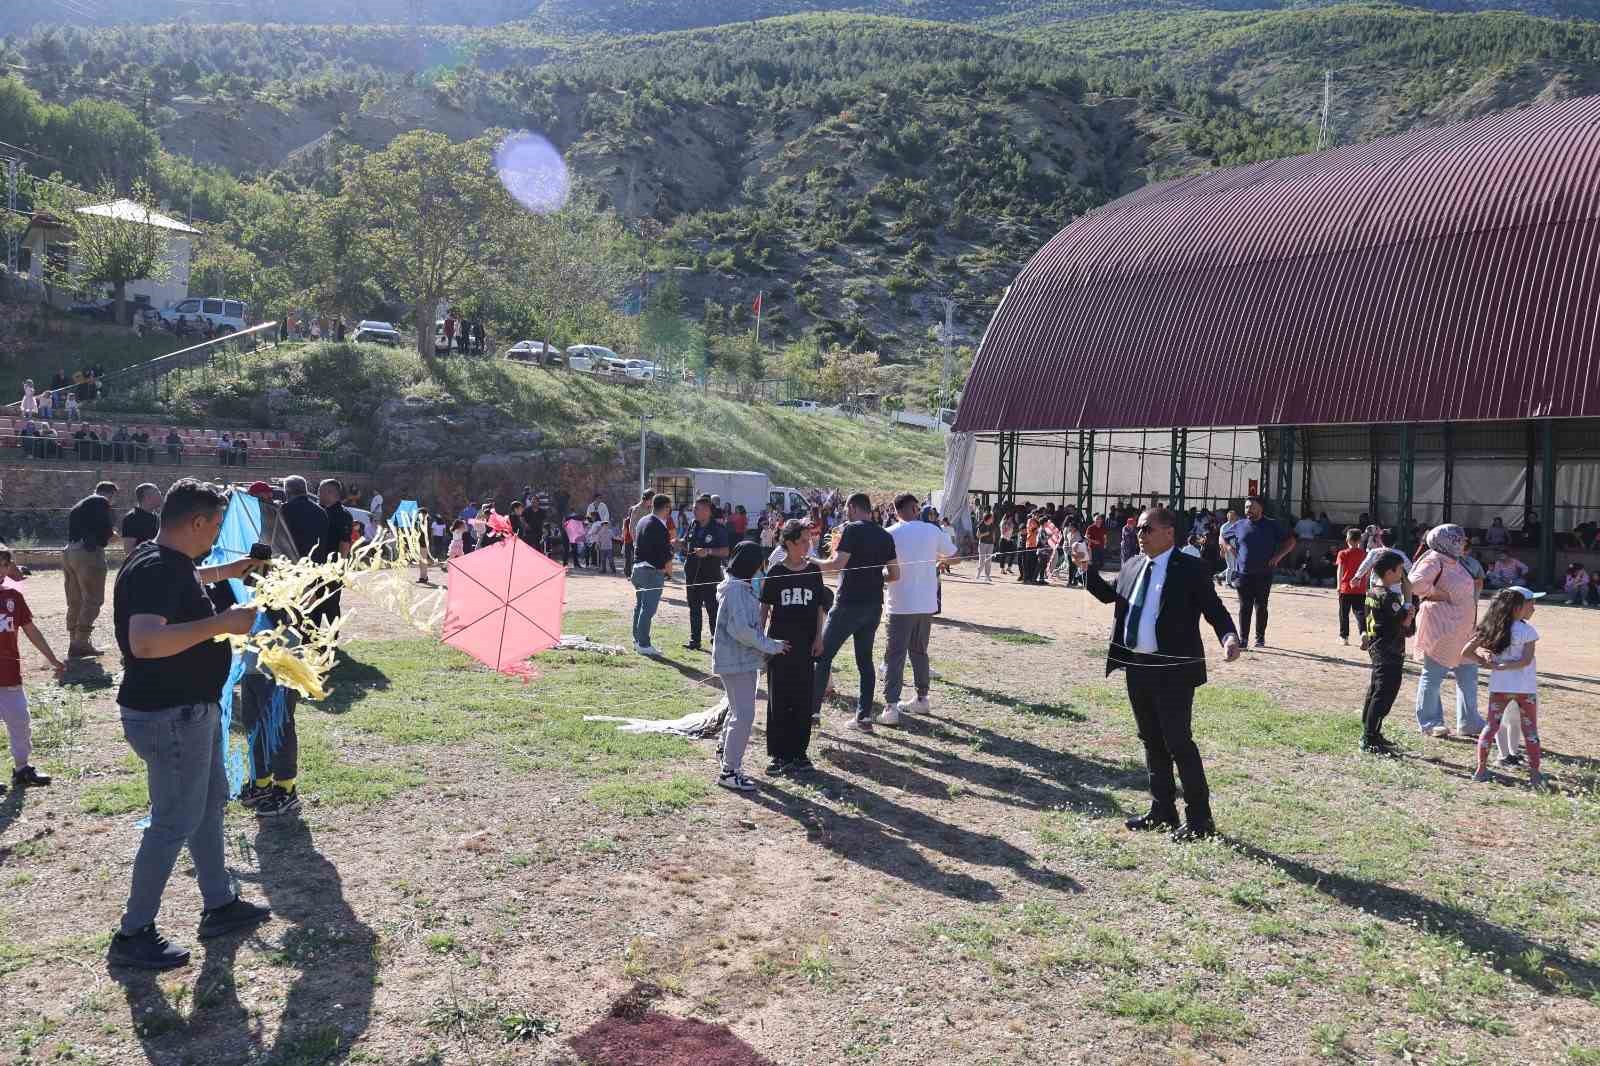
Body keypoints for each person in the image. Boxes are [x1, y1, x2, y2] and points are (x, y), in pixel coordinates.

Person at [107, 480, 272, 970]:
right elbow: (146, 642)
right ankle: (133, 933)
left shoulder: (164, 560)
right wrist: (222, 623)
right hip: (171, 715)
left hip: (190, 711)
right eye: (216, 525)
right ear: (197, 522)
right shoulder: (157, 568)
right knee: (173, 821)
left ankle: (219, 903)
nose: (217, 533)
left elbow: (189, 577)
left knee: (208, 804)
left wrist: (232, 570)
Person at [1076, 507, 1241, 841]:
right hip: (1137, 668)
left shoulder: (1191, 569)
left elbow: (1215, 610)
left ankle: (1200, 820)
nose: (1140, 535)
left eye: (1147, 529)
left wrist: (1228, 637)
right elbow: (1108, 595)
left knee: (1178, 743)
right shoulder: (1132, 565)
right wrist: (1085, 568)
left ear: (1168, 533)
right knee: (1151, 740)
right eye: (1139, 529)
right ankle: (1162, 810)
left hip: (1173, 672)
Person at [813, 492, 900, 732]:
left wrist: (812, 562)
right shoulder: (885, 535)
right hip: (873, 606)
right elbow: (895, 574)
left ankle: (812, 713)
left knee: (822, 656)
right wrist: (874, 576)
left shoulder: (851, 529)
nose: (845, 513)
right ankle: (864, 718)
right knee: (865, 662)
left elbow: (836, 566)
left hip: (848, 604)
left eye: (846, 509)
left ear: (852, 507)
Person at [712, 542, 787, 792]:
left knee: (736, 710)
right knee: (743, 716)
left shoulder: (740, 587)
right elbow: (742, 630)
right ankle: (730, 771)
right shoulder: (736, 590)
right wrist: (771, 646)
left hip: (739, 660)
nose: (761, 570)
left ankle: (724, 750)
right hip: (736, 662)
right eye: (759, 565)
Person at [760, 520, 831, 775]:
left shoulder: (813, 571)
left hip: (805, 646)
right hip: (780, 647)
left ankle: (800, 753)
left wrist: (819, 638)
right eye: (802, 541)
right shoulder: (776, 572)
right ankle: (779, 755)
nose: (807, 545)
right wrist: (762, 642)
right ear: (789, 543)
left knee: (802, 700)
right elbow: (764, 608)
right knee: (779, 699)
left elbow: (819, 608)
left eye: (809, 540)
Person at [879, 493, 956, 726]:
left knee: (895, 655)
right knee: (919, 652)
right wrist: (939, 560)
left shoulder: (889, 533)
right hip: (925, 605)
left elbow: (884, 568)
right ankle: (922, 698)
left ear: (896, 511)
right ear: (915, 509)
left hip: (900, 604)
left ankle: (891, 706)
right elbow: (955, 557)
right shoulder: (932, 531)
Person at [1463, 587, 1545, 788]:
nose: (1533, 608)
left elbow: (1466, 652)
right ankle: (1535, 773)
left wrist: (1487, 663)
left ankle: (1481, 769)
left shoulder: (1492, 628)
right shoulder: (1528, 631)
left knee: (1491, 726)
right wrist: (1503, 665)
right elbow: (1526, 661)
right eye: (1530, 604)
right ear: (1517, 607)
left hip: (1499, 687)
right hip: (1525, 689)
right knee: (1530, 731)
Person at [0, 546, 66, 795]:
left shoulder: (13, 597)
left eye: (4, 564)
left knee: (20, 721)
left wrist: (52, 659)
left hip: (9, 673)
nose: (0, 569)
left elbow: (30, 630)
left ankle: (22, 769)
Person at [1410, 524, 1486, 739]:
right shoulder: (1433, 559)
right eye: (1458, 539)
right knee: (1433, 676)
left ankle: (1470, 722)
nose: (1462, 543)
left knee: (1468, 676)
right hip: (1441, 628)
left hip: (1462, 630)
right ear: (1445, 541)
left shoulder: (1456, 561)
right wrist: (1438, 594)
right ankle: (1430, 722)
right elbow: (1415, 584)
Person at [1358, 550, 1415, 756]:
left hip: (1377, 647)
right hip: (1389, 650)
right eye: (1399, 570)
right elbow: (1405, 625)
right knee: (1384, 693)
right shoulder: (1389, 597)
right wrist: (1409, 611)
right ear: (1390, 572)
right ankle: (1369, 738)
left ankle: (1371, 732)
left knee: (1376, 689)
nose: (1401, 574)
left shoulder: (1372, 592)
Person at [1222, 496, 1296, 649]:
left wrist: (1278, 557)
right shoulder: (1239, 525)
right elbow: (1223, 537)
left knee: (1261, 606)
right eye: (1246, 507)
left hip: (1264, 573)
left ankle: (1260, 638)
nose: (1248, 510)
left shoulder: (1272, 525)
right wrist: (1229, 548)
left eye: (1251, 507)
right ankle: (1243, 639)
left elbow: (1290, 541)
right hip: (1243, 573)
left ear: (1260, 508)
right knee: (1245, 607)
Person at [63, 481, 118, 659]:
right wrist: (114, 536)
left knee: (75, 599)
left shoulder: (80, 505)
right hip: (88, 554)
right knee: (93, 598)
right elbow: (106, 532)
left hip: (70, 552)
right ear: (110, 494)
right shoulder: (101, 501)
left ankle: (74, 640)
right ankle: (81, 643)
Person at [682, 495, 730, 652]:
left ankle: (716, 640)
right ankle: (694, 640)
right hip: (692, 572)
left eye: (697, 508)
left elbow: (725, 551)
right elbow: (687, 542)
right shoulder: (693, 524)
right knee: (694, 607)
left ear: (708, 511)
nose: (694, 511)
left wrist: (708, 551)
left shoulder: (718, 529)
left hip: (710, 574)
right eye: (694, 508)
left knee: (712, 608)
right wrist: (679, 543)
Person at [630, 495, 673, 656]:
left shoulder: (643, 520)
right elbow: (665, 555)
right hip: (651, 572)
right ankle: (643, 644)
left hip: (638, 569)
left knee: (640, 607)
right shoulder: (660, 526)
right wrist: (669, 573)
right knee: (647, 610)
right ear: (666, 507)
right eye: (669, 508)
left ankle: (637, 640)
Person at [312, 479, 355, 628]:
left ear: (330, 493)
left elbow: (345, 543)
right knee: (315, 603)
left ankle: (332, 636)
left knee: (331, 604)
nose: (318, 494)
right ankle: (313, 636)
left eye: (320, 491)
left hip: (333, 566)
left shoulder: (342, 514)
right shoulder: (319, 511)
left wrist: (340, 567)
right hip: (316, 565)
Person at [1331, 527, 1370, 646]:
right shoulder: (1364, 554)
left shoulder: (1342, 553)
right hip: (1360, 588)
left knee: (1344, 613)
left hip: (1346, 588)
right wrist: (1366, 585)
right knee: (1360, 612)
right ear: (1359, 540)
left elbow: (1340, 570)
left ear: (1348, 539)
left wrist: (1338, 585)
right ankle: (1363, 632)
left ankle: (1344, 637)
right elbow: (1367, 572)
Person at [121, 483, 162, 553]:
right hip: (143, 559)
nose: (161, 497)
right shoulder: (132, 518)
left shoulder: (156, 516)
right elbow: (129, 550)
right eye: (158, 494)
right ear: (148, 497)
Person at [976, 508, 995, 583]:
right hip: (983, 543)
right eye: (991, 518)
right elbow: (978, 535)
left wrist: (993, 542)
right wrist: (985, 534)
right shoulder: (981, 524)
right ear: (988, 518)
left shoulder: (992, 525)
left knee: (989, 560)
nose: (992, 519)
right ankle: (979, 573)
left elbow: (993, 533)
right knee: (982, 560)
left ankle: (987, 575)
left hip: (990, 544)